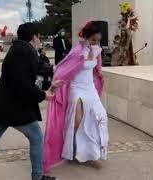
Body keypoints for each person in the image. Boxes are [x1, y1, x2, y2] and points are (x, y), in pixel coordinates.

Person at [0, 23, 62, 180]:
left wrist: (48, 85)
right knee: (37, 138)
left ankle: (38, 175)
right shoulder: (24, 52)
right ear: (34, 37)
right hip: (15, 107)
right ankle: (38, 176)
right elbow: (22, 84)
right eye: (38, 37)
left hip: (3, 105)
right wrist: (42, 95)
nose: (39, 40)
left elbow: (34, 73)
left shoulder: (19, 49)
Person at [43, 21, 109, 173]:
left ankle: (92, 154)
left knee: (100, 117)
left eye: (98, 40)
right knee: (77, 121)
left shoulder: (97, 50)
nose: (96, 43)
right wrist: (55, 84)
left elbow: (97, 67)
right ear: (86, 37)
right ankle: (73, 152)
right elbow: (63, 68)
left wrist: (100, 75)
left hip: (90, 88)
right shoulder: (77, 51)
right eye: (93, 40)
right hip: (76, 89)